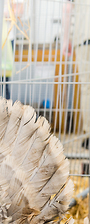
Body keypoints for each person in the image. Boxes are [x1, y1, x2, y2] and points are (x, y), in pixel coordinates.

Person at [62, 0, 90, 149]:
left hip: (84, 37)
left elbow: (67, 9)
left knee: (87, 88)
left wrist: (66, 39)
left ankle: (88, 135)